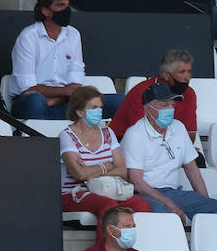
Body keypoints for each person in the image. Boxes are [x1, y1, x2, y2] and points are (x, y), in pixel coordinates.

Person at [7, 0, 120, 119]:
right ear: (45, 11)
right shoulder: (28, 37)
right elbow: (28, 88)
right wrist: (66, 92)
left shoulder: (73, 34)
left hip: (66, 103)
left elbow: (76, 76)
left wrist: (58, 98)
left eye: (67, 6)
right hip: (30, 104)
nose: (66, 10)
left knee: (119, 102)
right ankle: (38, 138)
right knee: (36, 101)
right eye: (60, 6)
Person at [122, 84, 217, 219]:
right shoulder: (135, 135)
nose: (170, 109)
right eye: (165, 105)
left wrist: (204, 202)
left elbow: (192, 170)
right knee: (163, 214)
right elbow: (137, 183)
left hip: (174, 193)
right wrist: (170, 204)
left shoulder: (178, 127)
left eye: (172, 105)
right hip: (144, 193)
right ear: (147, 108)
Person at [59, 87, 155, 220]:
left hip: (109, 190)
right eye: (93, 107)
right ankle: (105, 242)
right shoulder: (67, 136)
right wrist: (108, 165)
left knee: (141, 205)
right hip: (75, 194)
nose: (98, 111)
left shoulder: (107, 132)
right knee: (109, 206)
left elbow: (122, 170)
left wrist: (90, 172)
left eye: (100, 107)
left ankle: (140, 241)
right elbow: (79, 174)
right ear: (80, 112)